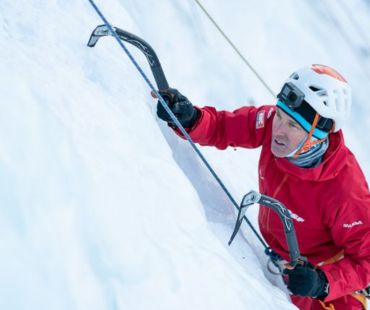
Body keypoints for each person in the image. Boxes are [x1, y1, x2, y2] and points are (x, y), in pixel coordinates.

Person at [155, 64, 370, 309]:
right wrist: (191, 119)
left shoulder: (344, 190)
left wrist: (323, 283)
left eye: (293, 126)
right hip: (281, 259)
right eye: (280, 116)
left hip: (322, 284)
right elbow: (223, 127)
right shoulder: (271, 123)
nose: (278, 130)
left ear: (318, 135)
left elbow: (367, 259)